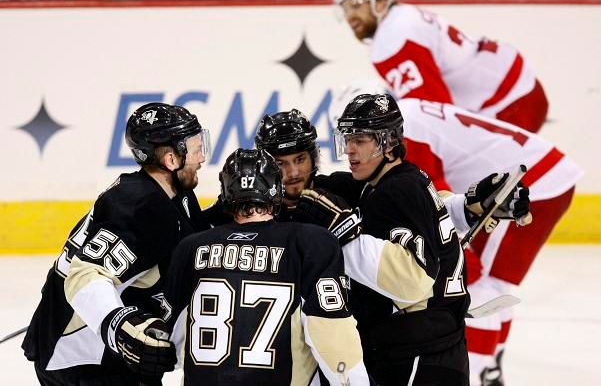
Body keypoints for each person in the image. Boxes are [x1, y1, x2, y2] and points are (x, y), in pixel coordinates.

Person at [328, 79, 583, 386]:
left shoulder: (399, 174)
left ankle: (483, 371)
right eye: (346, 139)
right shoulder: (404, 157)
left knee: (482, 283)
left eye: (360, 139)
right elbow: (430, 204)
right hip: (533, 173)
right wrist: (465, 208)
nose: (350, 150)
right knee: (488, 284)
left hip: (538, 179)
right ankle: (491, 367)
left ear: (387, 139)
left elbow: (418, 215)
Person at [22, 102, 213, 385]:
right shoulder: (139, 207)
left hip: (109, 354)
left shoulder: (172, 193)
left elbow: (192, 241)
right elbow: (86, 278)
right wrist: (119, 326)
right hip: (80, 360)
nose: (201, 158)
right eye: (196, 148)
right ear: (171, 159)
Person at [161, 148, 371, 385]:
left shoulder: (190, 247)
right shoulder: (310, 243)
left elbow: (169, 343)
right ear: (276, 189)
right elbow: (332, 339)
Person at [332, 0, 550, 133]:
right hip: (516, 91)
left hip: (510, 104)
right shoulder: (403, 17)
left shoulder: (392, 37)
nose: (350, 15)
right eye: (345, 8)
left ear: (380, 1)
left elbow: (433, 113)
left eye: (356, 3)